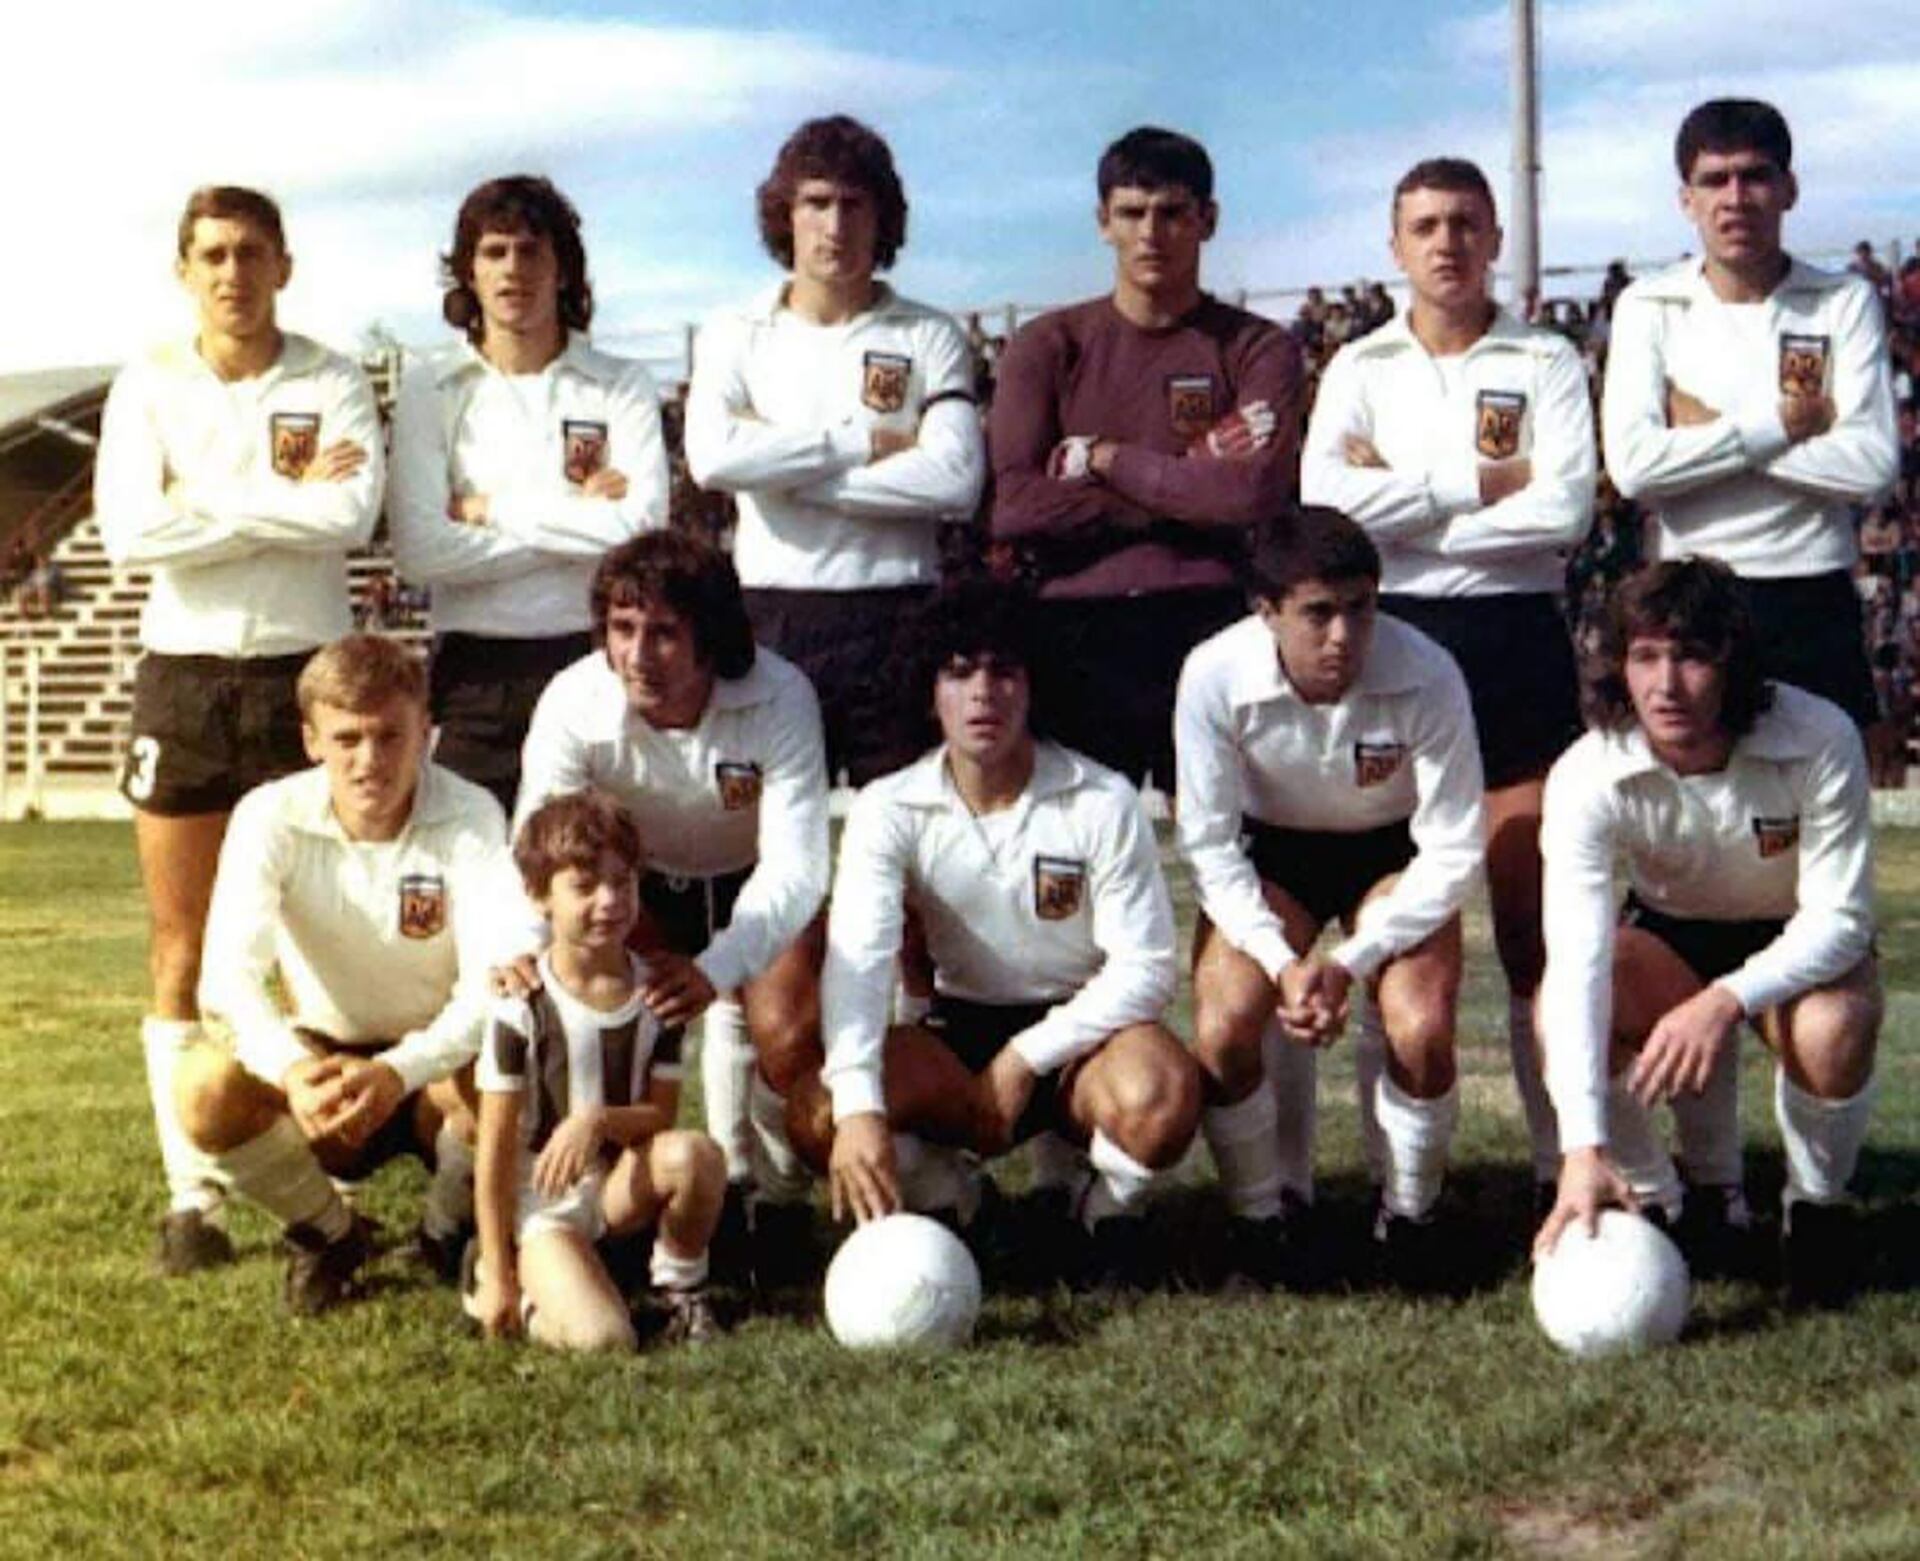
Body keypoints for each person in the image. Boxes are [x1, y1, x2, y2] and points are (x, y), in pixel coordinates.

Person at [93, 185, 384, 1277]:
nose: (232, 272)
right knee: (181, 945)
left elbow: (349, 515)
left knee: (309, 943)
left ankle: (326, 1184)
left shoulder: (332, 379)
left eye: (252, 252)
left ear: (283, 266)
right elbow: (131, 532)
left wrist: (203, 501)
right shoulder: (148, 383)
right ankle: (194, 1197)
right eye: (212, 254)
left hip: (305, 672)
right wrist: (276, 495)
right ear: (184, 270)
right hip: (184, 677)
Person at [1301, 156, 1595, 1219]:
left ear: (1496, 239)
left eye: (1467, 224)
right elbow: (1324, 507)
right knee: (1394, 924)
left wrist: (1404, 508)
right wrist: (1476, 487)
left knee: (1532, 926)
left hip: (1516, 639)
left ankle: (1560, 1171)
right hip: (1392, 640)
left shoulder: (1545, 357)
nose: (1447, 243)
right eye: (1425, 225)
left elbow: (1565, 511)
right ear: (1395, 246)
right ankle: (1401, 1191)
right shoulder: (1358, 364)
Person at [792, 580, 1201, 1288]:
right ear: (929, 693)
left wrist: (1025, 1057)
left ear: (1035, 685)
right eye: (958, 672)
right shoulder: (888, 807)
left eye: (1004, 671)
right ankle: (957, 1199)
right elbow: (859, 961)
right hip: (955, 1032)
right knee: (818, 1111)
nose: (983, 692)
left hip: (1081, 1040)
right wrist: (859, 1108)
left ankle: (1099, 1212)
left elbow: (1147, 967)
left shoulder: (1100, 798)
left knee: (1161, 1092)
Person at [1534, 560, 1880, 1308]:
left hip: (1796, 934)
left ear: (1735, 663)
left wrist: (1724, 1000)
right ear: (1619, 665)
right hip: (1672, 934)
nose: (1666, 684)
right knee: (1561, 1010)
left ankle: (1815, 1209)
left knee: (1835, 1026)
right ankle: (1673, 1203)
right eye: (1645, 656)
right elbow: (1576, 960)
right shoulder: (1586, 773)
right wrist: (1581, 1148)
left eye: (1692, 656)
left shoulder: (1820, 734)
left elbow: (1843, 918)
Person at [1176, 508, 1485, 1286]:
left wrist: (1351, 961)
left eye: (1360, 608)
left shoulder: (1430, 670)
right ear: (1266, 610)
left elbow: (1454, 847)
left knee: (1420, 1022)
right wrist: (1284, 963)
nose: (1343, 634)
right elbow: (1208, 845)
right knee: (1224, 1022)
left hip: (1393, 853)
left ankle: (1409, 1217)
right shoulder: (1212, 673)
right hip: (1273, 854)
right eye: (1318, 613)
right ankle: (1262, 1219)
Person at [513, 531, 830, 1284]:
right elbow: (540, 843)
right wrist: (524, 949)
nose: (637, 654)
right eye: (622, 628)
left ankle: (772, 1192)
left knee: (786, 1035)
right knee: (600, 1024)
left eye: (662, 632)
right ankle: (612, 1206)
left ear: (709, 635)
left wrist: (719, 968)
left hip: (753, 878)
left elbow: (797, 864)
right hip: (637, 885)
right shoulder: (574, 698)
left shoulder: (782, 692)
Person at [180, 635, 510, 1313]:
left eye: (390, 736)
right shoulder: (269, 815)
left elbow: (492, 984)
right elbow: (227, 979)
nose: (369, 760)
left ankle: (444, 1230)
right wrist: (294, 1070)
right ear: (311, 740)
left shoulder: (472, 812)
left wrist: (399, 1070)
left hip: (433, 1071)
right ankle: (330, 1234)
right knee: (204, 1087)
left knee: (508, 1069)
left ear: (426, 732)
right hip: (323, 1060)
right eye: (347, 738)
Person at [988, 125, 1304, 796]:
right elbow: (1013, 505)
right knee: (1073, 842)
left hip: (1214, 615)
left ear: (1208, 220)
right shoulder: (1048, 344)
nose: (1151, 233)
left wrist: (1106, 457)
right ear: (1103, 222)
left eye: (1172, 212)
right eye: (1132, 213)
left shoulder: (1258, 347)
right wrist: (1184, 478)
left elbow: (1250, 496)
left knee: (1221, 835)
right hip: (1073, 623)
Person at [685, 114, 985, 789]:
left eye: (854, 204)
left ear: (883, 217)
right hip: (774, 612)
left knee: (909, 824)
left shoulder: (929, 335)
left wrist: (779, 472)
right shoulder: (735, 332)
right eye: (816, 203)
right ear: (784, 215)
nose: (836, 225)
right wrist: (860, 443)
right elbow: (713, 460)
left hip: (900, 608)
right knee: (773, 823)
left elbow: (955, 481)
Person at [1602, 98, 1899, 731]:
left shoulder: (1842, 300)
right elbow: (1634, 469)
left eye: (1755, 176)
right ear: (1687, 199)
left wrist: (1706, 431)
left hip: (1813, 588)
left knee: (1821, 786)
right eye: (1715, 180)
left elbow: (1871, 465)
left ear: (1789, 189)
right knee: (1700, 792)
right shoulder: (1649, 305)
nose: (1735, 198)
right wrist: (1783, 426)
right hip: (1692, 594)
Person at [389, 174, 669, 815]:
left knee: (594, 860)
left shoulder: (619, 383)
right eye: (494, 251)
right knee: (474, 862)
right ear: (469, 271)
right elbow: (420, 551)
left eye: (531, 250)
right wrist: (582, 522)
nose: (513, 268)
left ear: (563, 269)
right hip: (474, 672)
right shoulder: (432, 385)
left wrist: (491, 510)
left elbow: (644, 530)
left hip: (593, 655)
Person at [468, 789, 726, 1350]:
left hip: (615, 1189)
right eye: (584, 887)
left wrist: (595, 1120)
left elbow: (659, 1118)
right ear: (539, 896)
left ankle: (679, 1288)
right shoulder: (521, 1005)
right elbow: (493, 1150)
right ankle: (520, 1285)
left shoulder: (656, 993)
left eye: (622, 882)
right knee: (605, 1340)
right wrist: (498, 1270)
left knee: (696, 1155)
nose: (609, 901)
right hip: (545, 1203)